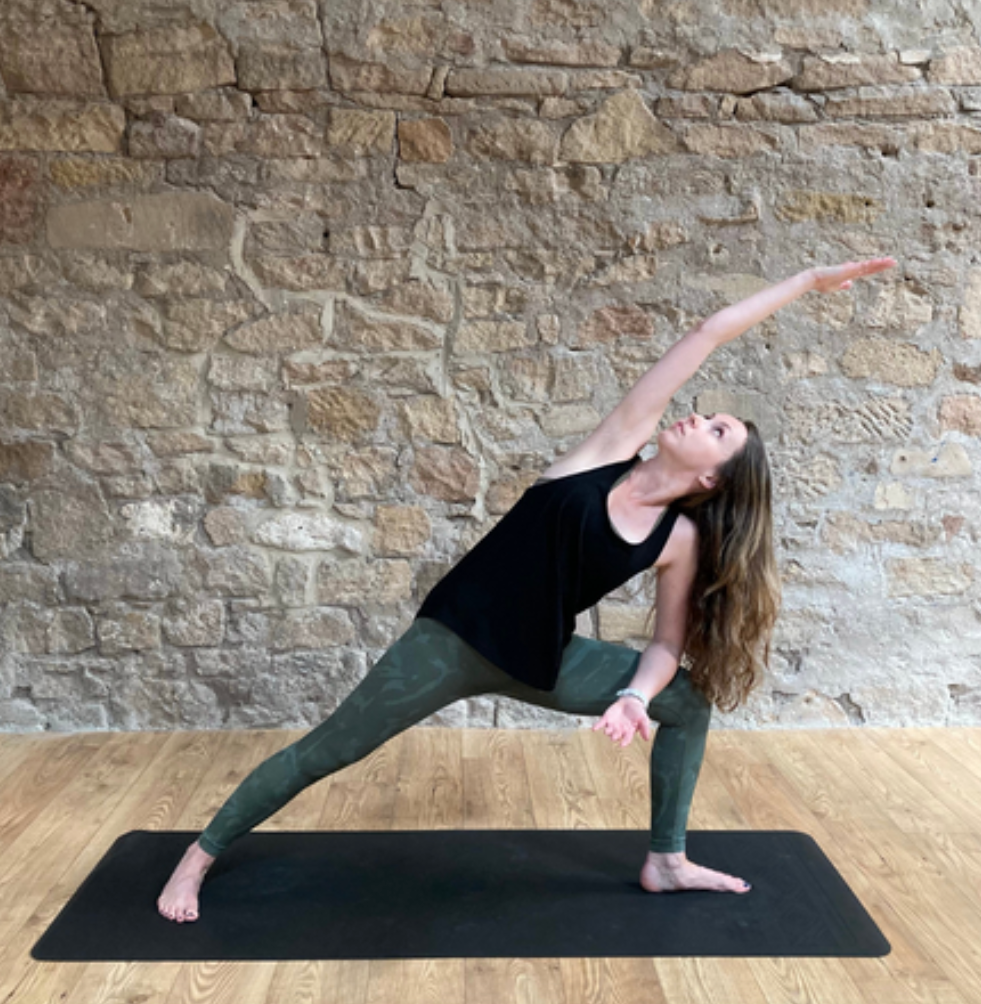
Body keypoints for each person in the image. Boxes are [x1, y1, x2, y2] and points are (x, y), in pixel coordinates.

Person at [157, 256, 897, 922]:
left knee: (687, 702)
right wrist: (806, 282)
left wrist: (635, 697)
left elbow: (666, 644)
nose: (699, 416)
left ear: (711, 476)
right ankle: (198, 857)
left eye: (718, 430)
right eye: (711, 414)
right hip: (451, 641)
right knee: (327, 750)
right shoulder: (611, 448)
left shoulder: (680, 540)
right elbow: (707, 333)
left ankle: (667, 861)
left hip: (541, 658)